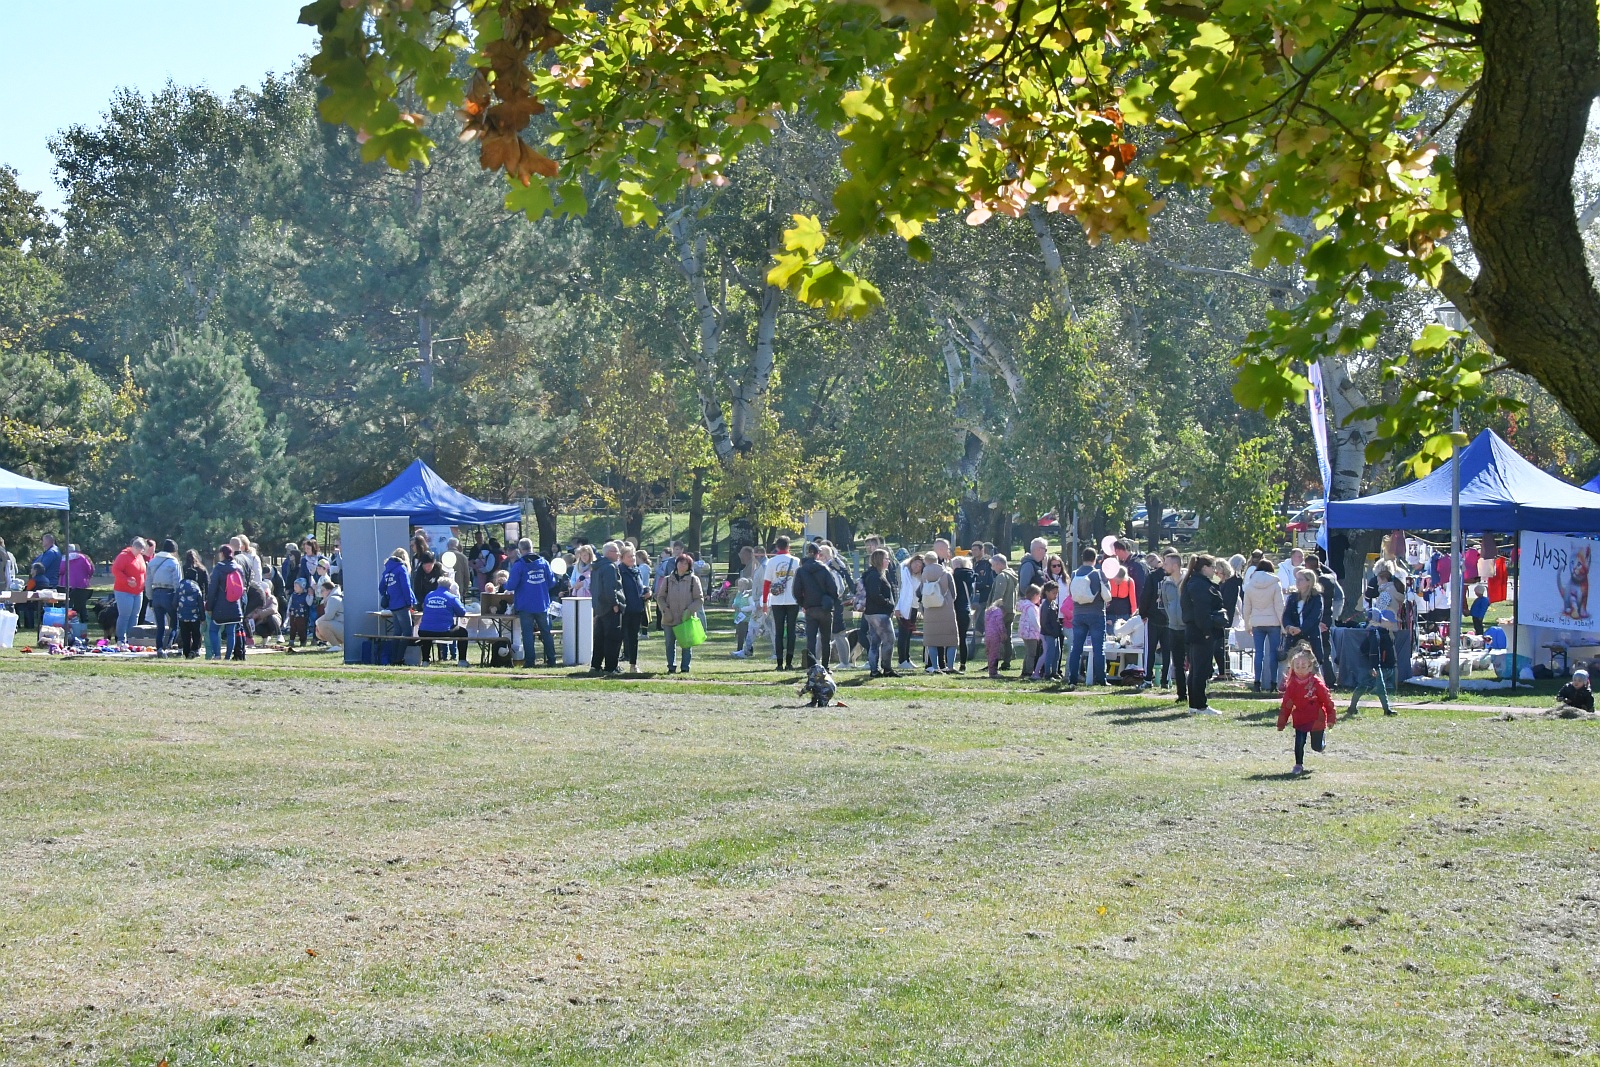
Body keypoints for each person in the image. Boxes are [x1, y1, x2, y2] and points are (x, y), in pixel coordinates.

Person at [1277, 644, 1337, 776]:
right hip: (1300, 718)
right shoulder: (1292, 684)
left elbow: (1328, 702)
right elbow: (1286, 704)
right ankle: (1298, 764)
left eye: (1303, 666)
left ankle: (1321, 742)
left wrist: (1331, 718)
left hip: (1317, 718)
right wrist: (1282, 722)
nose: (1300, 669)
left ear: (1310, 667)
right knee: (1299, 742)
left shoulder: (1317, 684)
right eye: (1297, 666)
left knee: (1316, 747)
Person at [506, 539, 557, 668]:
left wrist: (504, 584)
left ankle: (530, 661)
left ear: (520, 549)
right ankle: (552, 660)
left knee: (527, 633)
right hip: (542, 603)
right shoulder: (544, 563)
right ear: (532, 547)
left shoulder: (519, 565)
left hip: (525, 605)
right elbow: (552, 582)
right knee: (546, 632)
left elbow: (511, 585)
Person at [1241, 559, 1286, 693]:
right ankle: (1273, 682)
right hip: (1273, 623)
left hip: (1256, 622)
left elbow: (1246, 608)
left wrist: (1247, 625)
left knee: (1258, 653)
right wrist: (1284, 626)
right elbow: (1280, 607)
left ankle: (1257, 682)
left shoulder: (1249, 585)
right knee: (1272, 653)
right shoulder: (1275, 584)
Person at [1066, 548, 1108, 687]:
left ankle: (1072, 678)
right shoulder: (1097, 573)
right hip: (1096, 614)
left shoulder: (1074, 573)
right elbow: (1107, 595)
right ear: (1095, 559)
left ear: (1082, 558)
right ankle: (1101, 679)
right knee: (1098, 648)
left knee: (1076, 648)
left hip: (1078, 614)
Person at [658, 553, 705, 674]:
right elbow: (660, 597)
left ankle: (685, 667)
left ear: (689, 566)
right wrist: (665, 610)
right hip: (670, 617)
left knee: (686, 645)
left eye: (685, 563)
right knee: (669, 643)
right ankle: (671, 666)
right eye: (680, 562)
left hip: (686, 619)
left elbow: (699, 599)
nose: (682, 565)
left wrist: (689, 611)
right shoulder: (668, 580)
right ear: (676, 564)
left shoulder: (693, 580)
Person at [1346, 610, 1399, 716]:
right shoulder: (1375, 632)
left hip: (1375, 664)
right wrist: (1374, 665)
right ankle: (1387, 710)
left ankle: (1352, 708)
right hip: (1375, 665)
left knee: (1363, 686)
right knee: (1380, 688)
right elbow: (1373, 650)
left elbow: (1365, 649)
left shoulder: (1381, 632)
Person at [794, 542, 838, 668]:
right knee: (826, 639)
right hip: (825, 608)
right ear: (818, 554)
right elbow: (833, 588)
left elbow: (796, 591)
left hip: (810, 608)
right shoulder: (824, 569)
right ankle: (825, 666)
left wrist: (803, 603)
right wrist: (830, 600)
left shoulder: (801, 571)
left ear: (808, 553)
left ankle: (811, 666)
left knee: (811, 640)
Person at [1282, 568, 1325, 694]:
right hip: (1293, 637)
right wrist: (1289, 627)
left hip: (1310, 636)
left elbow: (1314, 617)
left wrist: (1301, 629)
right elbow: (1286, 615)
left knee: (1313, 665)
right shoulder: (1292, 597)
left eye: (1300, 579)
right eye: (1296, 579)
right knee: (1293, 664)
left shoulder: (1316, 598)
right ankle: (1290, 692)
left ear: (1309, 581)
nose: (1297, 582)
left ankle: (1319, 691)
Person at [762, 535, 802, 672]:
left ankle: (779, 662)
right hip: (793, 599)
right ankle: (789, 662)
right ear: (788, 546)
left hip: (777, 600)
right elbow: (800, 582)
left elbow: (767, 583)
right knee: (791, 631)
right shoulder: (796, 561)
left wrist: (765, 602)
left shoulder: (772, 562)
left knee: (778, 631)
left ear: (777, 547)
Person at [916, 551, 959, 672]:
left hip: (930, 610)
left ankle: (934, 666)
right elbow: (954, 593)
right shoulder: (946, 573)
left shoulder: (924, 575)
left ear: (926, 561)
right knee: (951, 640)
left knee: (932, 640)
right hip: (947, 609)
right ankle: (950, 666)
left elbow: (919, 592)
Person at [589, 541, 626, 675]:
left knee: (599, 638)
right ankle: (611, 667)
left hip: (599, 607)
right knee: (612, 638)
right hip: (610, 608)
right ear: (609, 552)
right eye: (616, 551)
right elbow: (611, 588)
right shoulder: (610, 567)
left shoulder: (596, 567)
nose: (619, 554)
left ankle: (595, 665)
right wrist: (615, 604)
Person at [418, 577, 471, 667]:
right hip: (443, 630)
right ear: (450, 587)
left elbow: (424, 606)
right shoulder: (452, 597)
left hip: (423, 630)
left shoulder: (429, 595)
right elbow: (462, 612)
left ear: (438, 585)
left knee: (427, 632)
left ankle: (425, 661)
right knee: (463, 632)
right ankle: (462, 661)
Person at [205, 544, 246, 661]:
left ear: (222, 554)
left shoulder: (218, 568)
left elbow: (212, 589)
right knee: (231, 632)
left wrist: (209, 606)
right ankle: (228, 656)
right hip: (235, 604)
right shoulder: (238, 568)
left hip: (220, 605)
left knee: (213, 629)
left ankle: (217, 655)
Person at [862, 548, 898, 677]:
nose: (888, 561)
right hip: (879, 614)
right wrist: (888, 604)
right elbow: (874, 594)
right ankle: (886, 668)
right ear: (879, 560)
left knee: (875, 642)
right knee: (889, 640)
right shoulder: (875, 576)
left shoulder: (872, 574)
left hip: (871, 613)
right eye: (886, 558)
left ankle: (874, 670)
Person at [1157, 552, 1188, 702]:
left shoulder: (1188, 581)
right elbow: (1165, 603)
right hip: (1173, 628)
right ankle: (1182, 694)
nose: (1163, 566)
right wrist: (1171, 618)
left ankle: (1195, 692)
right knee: (1177, 663)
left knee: (1193, 662)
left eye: (1166, 563)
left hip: (1188, 628)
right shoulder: (1166, 584)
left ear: (1175, 566)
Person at [380, 547, 416, 666]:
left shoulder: (387, 570)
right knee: (407, 632)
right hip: (402, 604)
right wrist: (410, 602)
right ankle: (399, 658)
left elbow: (381, 588)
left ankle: (393, 657)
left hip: (393, 605)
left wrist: (388, 595)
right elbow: (406, 587)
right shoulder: (401, 568)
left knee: (397, 632)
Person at [146, 539, 183, 655]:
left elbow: (148, 582)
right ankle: (169, 644)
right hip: (169, 593)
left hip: (156, 593)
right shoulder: (173, 562)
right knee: (174, 622)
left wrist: (150, 597)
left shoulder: (152, 562)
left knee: (160, 625)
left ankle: (159, 648)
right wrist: (179, 597)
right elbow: (178, 582)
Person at [110, 537, 148, 646]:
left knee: (135, 615)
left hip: (138, 591)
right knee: (125, 615)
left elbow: (142, 572)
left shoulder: (139, 557)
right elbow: (115, 570)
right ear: (134, 547)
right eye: (140, 550)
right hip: (124, 591)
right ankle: (121, 639)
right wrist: (127, 580)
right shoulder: (123, 556)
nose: (141, 552)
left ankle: (131, 637)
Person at [985, 554, 1018, 675]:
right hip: (1010, 610)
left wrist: (993, 609)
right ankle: (1007, 661)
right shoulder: (1012, 575)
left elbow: (998, 596)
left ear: (999, 564)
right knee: (1007, 638)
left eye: (993, 565)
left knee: (996, 639)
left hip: (1001, 611)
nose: (993, 568)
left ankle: (994, 663)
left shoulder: (1002, 577)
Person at [1138, 551, 1167, 687]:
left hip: (1155, 617)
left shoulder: (1154, 576)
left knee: (1150, 650)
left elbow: (1145, 596)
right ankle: (1165, 680)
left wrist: (1143, 614)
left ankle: (1148, 678)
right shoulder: (1176, 576)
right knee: (1167, 651)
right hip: (1168, 618)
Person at [894, 553, 925, 670]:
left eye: (920, 565)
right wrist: (897, 607)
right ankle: (901, 660)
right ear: (911, 562)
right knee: (903, 634)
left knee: (909, 634)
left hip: (913, 607)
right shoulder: (904, 573)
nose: (917, 567)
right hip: (903, 607)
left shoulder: (919, 577)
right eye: (916, 564)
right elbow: (899, 590)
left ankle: (907, 658)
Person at [1214, 556, 1243, 678]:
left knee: (1221, 646)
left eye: (1217, 570)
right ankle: (1223, 671)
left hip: (1225, 618)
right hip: (1220, 617)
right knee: (1220, 647)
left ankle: (1224, 672)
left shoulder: (1231, 584)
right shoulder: (1222, 583)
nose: (1215, 572)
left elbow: (1228, 602)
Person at [176, 558, 206, 659]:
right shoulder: (196, 587)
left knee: (185, 635)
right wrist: (202, 617)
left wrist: (176, 609)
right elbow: (200, 603)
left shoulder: (180, 585)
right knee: (196, 634)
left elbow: (175, 601)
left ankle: (186, 652)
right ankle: (194, 650)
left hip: (182, 615)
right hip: (194, 616)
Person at [949, 555, 974, 672]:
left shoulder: (955, 576)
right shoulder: (971, 575)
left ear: (957, 565)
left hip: (954, 609)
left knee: (951, 637)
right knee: (963, 638)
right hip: (966, 609)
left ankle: (949, 662)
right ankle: (963, 663)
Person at [1037, 580, 1065, 681]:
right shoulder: (1046, 605)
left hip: (1055, 633)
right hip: (1048, 633)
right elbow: (1044, 622)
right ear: (1047, 592)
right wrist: (1051, 632)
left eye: (1057, 593)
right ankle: (1047, 674)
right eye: (1053, 593)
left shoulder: (1053, 604)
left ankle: (1055, 671)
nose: (1055, 595)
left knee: (1057, 653)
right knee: (1050, 653)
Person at [58, 543, 93, 621]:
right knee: (82, 602)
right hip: (82, 585)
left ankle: (69, 619)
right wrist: (87, 578)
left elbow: (61, 570)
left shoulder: (65, 558)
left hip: (68, 584)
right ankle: (84, 618)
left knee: (69, 602)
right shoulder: (83, 558)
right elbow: (90, 569)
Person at [1018, 584, 1043, 679]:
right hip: (1030, 633)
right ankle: (1028, 671)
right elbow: (1034, 621)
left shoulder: (1026, 606)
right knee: (1032, 653)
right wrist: (1039, 630)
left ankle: (1025, 671)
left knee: (1028, 652)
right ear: (1034, 595)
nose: (1039, 598)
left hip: (1026, 633)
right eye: (1039, 595)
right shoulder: (1031, 608)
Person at [315, 578, 344, 652]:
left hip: (344, 628)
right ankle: (340, 645)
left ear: (329, 590)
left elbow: (328, 616)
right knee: (320, 629)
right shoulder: (332, 598)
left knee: (321, 624)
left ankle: (336, 646)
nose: (321, 593)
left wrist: (317, 622)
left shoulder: (333, 598)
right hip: (342, 627)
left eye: (322, 590)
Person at [287, 578, 313, 648]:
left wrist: (311, 595)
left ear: (302, 587)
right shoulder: (293, 595)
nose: (294, 588)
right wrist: (288, 612)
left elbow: (309, 603)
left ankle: (303, 641)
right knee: (292, 628)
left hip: (302, 616)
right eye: (294, 586)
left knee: (302, 629)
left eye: (296, 586)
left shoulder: (305, 595)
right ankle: (291, 640)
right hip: (293, 614)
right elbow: (290, 603)